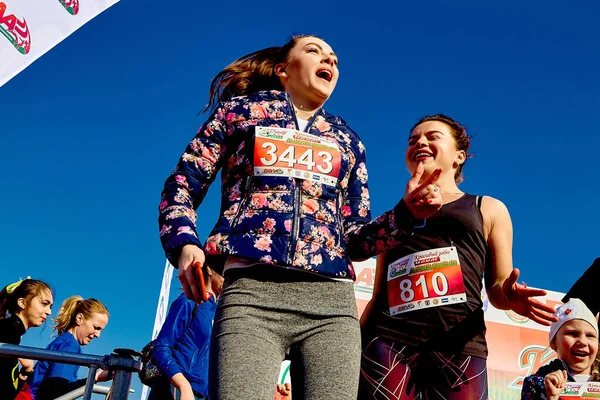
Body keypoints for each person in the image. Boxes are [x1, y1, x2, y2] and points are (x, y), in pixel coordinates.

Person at [158, 34, 444, 400]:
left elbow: (356, 238)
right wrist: (183, 243)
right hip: (251, 295)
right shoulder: (239, 113)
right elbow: (183, 181)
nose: (330, 61)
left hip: (332, 307)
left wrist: (406, 214)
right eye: (314, 51)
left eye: (335, 59)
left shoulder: (349, 141)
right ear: (283, 69)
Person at [358, 114, 558, 399]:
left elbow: (498, 287)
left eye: (432, 137)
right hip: (388, 344)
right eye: (413, 140)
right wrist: (353, 343)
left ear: (459, 156)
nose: (420, 143)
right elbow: (378, 294)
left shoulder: (487, 208)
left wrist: (509, 297)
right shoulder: (392, 220)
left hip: (459, 344)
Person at [148, 266, 223, 400]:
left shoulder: (221, 314)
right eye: (223, 270)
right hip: (176, 390)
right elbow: (160, 348)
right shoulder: (190, 300)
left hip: (203, 394)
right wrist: (184, 386)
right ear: (210, 269)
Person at [29, 296, 111, 400]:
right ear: (79, 319)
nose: (97, 335)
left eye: (101, 330)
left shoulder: (64, 341)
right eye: (96, 328)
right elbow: (58, 392)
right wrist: (94, 378)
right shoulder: (69, 347)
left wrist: (95, 378)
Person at [521, 298, 599, 399]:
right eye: (572, 333)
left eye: (590, 336)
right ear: (553, 342)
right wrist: (551, 397)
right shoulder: (537, 383)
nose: (583, 342)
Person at [0, 278, 53, 400]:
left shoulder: (12, 332)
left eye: (50, 306)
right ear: (22, 303)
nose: (49, 312)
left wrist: (26, 371)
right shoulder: (8, 331)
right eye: (44, 304)